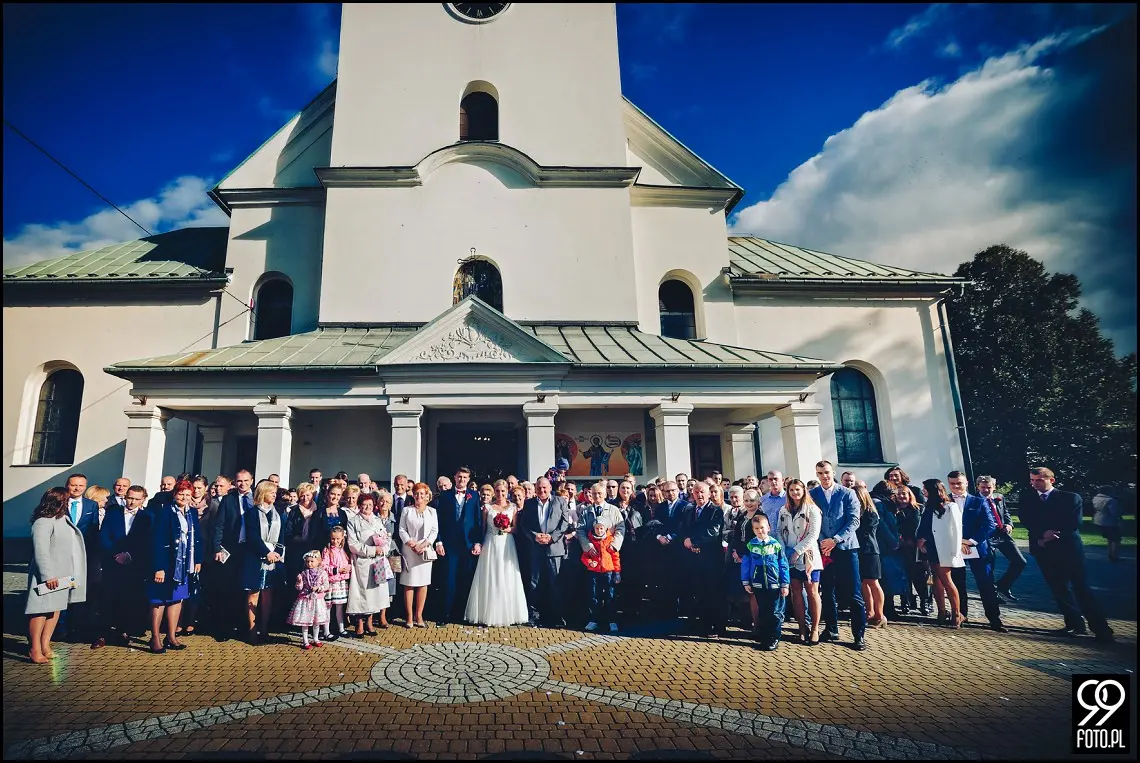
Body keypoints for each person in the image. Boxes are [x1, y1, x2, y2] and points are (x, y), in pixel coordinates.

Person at [1020, 467, 1113, 642]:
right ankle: (1074, 624)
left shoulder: (1070, 498)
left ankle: (1101, 629)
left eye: (1038, 480)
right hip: (1043, 550)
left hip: (1068, 550)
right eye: (1032, 480)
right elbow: (1026, 519)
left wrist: (1049, 535)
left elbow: (1072, 522)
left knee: (1081, 588)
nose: (1034, 484)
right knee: (1058, 589)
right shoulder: (1028, 498)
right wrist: (1042, 534)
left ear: (1051, 480)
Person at [809, 461, 867, 650]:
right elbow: (811, 521)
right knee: (827, 591)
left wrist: (835, 539)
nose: (824, 476)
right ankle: (831, 629)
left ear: (832, 472)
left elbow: (854, 521)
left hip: (846, 548)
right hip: (824, 550)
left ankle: (859, 635)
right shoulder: (813, 495)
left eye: (826, 472)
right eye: (820, 473)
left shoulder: (847, 493)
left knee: (854, 594)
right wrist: (822, 542)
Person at [26, 487, 88, 663]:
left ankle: (45, 646)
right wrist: (47, 575)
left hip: (63, 574)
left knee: (55, 610)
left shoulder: (63, 519)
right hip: (47, 575)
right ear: (57, 501)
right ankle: (34, 648)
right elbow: (41, 551)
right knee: (39, 611)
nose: (68, 503)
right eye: (66, 500)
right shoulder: (43, 522)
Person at [946, 471, 1007, 633]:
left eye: (959, 483)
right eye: (952, 484)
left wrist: (971, 541)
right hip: (954, 548)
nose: (956, 486)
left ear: (966, 482)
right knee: (958, 583)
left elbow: (989, 525)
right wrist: (958, 542)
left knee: (985, 583)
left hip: (977, 548)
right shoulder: (944, 500)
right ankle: (961, 615)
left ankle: (994, 619)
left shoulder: (978, 501)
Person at [147, 480, 203, 653]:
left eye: (188, 494)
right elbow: (157, 540)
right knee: (159, 600)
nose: (184, 498)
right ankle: (155, 637)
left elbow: (197, 538)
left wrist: (198, 560)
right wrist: (159, 567)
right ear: (174, 494)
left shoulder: (192, 512)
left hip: (185, 564)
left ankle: (171, 636)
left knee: (177, 599)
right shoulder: (164, 512)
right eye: (181, 494)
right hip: (167, 563)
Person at [465, 480, 529, 626]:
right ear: (495, 491)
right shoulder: (487, 508)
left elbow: (516, 529)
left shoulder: (512, 507)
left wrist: (508, 529)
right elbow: (482, 529)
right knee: (491, 575)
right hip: (491, 543)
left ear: (507, 491)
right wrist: (479, 543)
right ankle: (487, 613)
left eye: (503, 491)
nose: (500, 494)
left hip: (507, 544)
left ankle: (508, 613)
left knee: (507, 576)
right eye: (498, 491)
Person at [98, 484, 151, 646]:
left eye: (136, 499)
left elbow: (148, 542)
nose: (132, 502)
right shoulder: (113, 513)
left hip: (134, 565)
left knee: (129, 599)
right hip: (112, 563)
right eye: (130, 498)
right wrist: (116, 555)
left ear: (143, 500)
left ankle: (124, 632)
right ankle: (102, 634)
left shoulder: (148, 516)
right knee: (108, 599)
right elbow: (104, 537)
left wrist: (130, 556)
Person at [517, 477, 572, 627]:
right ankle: (534, 616)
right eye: (539, 488)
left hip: (554, 549)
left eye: (545, 488)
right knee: (534, 583)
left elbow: (565, 522)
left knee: (556, 584)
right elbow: (524, 525)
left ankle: (558, 617)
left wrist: (551, 538)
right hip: (535, 549)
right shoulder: (529, 504)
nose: (542, 490)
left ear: (550, 488)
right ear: (535, 489)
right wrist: (535, 536)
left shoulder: (560, 501)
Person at [432, 467, 482, 626]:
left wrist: (477, 541)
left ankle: (461, 615)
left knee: (465, 579)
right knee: (448, 580)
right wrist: (438, 541)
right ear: (454, 477)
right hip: (449, 545)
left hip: (467, 545)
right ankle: (444, 615)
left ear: (468, 479)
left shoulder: (474, 496)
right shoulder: (445, 496)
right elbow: (438, 520)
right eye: (459, 477)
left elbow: (477, 520)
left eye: (465, 477)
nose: (462, 480)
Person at [776, 478, 822, 646]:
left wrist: (797, 551)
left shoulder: (812, 509)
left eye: (798, 489)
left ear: (803, 491)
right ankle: (802, 628)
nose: (795, 493)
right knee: (796, 592)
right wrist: (783, 550)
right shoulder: (784, 509)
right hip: (789, 557)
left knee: (812, 592)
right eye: (791, 490)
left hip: (808, 557)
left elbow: (813, 535)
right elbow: (779, 531)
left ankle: (815, 629)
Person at [239, 480, 285, 644]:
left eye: (275, 492)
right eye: (271, 492)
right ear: (263, 493)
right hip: (255, 557)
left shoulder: (278, 512)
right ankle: (251, 630)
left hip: (273, 559)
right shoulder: (252, 513)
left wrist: (277, 552)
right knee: (254, 593)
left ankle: (264, 628)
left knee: (268, 593)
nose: (274, 494)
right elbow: (252, 536)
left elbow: (281, 536)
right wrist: (266, 553)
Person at [577, 482, 626, 633]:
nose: (597, 496)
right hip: (593, 560)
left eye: (600, 494)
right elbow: (580, 530)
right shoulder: (586, 511)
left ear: (605, 494)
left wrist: (615, 544)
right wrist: (588, 546)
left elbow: (620, 527)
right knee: (593, 593)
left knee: (610, 593)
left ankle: (612, 620)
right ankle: (594, 619)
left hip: (609, 559)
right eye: (594, 494)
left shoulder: (613, 510)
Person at [211, 469, 254, 640]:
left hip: (251, 549)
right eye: (239, 481)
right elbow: (219, 526)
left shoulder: (257, 498)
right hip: (231, 549)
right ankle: (225, 628)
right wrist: (216, 548)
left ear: (251, 481)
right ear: (235, 483)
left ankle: (245, 627)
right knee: (228, 589)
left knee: (247, 590)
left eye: (245, 481)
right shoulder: (228, 500)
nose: (242, 484)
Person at [916, 479, 965, 628]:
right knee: (936, 580)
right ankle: (942, 612)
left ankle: (957, 614)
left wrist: (955, 551)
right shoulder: (928, 507)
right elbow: (924, 526)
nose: (923, 491)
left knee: (946, 580)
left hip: (944, 548)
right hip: (931, 547)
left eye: (925, 489)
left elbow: (956, 530)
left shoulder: (950, 507)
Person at [346, 493, 393, 635]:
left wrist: (383, 549)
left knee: (375, 592)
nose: (367, 507)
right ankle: (359, 623)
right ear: (359, 505)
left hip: (377, 561)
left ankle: (370, 622)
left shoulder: (378, 520)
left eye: (370, 505)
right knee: (361, 593)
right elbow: (352, 544)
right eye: (364, 504)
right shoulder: (353, 522)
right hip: (362, 561)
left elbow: (386, 539)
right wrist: (372, 550)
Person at [682, 481, 725, 636]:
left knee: (712, 592)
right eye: (696, 492)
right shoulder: (688, 510)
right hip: (693, 558)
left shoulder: (716, 511)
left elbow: (713, 531)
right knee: (697, 591)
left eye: (702, 492)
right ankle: (698, 623)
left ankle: (715, 625)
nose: (699, 495)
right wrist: (687, 540)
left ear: (708, 494)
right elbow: (684, 529)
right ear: (692, 494)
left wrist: (694, 541)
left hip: (710, 558)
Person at [741, 513, 790, 650]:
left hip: (775, 585)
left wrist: (785, 584)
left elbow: (783, 564)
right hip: (758, 584)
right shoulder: (751, 545)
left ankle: (774, 638)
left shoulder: (776, 545)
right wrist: (745, 581)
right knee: (763, 611)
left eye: (762, 528)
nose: (760, 531)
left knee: (775, 612)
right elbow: (746, 563)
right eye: (756, 528)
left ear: (768, 528)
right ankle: (765, 637)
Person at [976, 476, 1024, 600]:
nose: (986, 490)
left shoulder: (999, 497)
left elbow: (1005, 513)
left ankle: (1003, 585)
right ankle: (992, 594)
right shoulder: (974, 500)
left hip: (1002, 534)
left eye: (989, 487)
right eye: (983, 487)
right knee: (989, 565)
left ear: (994, 487)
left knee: (1020, 561)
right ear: (978, 487)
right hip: (986, 536)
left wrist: (1009, 524)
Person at [399, 482, 439, 628]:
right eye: (416, 493)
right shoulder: (406, 511)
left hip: (425, 551)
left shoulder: (432, 511)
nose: (419, 496)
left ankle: (419, 615)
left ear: (427, 495)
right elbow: (402, 529)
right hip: (409, 551)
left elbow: (434, 531)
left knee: (423, 584)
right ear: (413, 495)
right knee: (409, 584)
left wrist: (424, 544)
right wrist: (411, 543)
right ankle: (409, 617)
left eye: (422, 493)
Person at [853, 485, 885, 629]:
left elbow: (867, 532)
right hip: (859, 550)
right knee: (863, 582)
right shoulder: (855, 512)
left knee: (873, 582)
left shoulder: (871, 513)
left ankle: (880, 614)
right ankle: (870, 611)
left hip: (870, 550)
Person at [581, 519, 622, 632]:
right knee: (594, 596)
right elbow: (584, 556)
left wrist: (617, 572)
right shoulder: (590, 541)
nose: (599, 531)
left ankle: (612, 621)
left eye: (601, 528)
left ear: (605, 528)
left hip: (609, 571)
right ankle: (594, 620)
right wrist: (590, 562)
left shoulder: (610, 540)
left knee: (610, 596)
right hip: (594, 572)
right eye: (597, 528)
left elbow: (616, 557)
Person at [288, 550, 330, 649]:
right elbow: (299, 588)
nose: (309, 564)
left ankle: (316, 638)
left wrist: (318, 588)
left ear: (319, 561)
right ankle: (305, 641)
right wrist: (299, 582)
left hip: (317, 601)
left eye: (312, 561)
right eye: (307, 562)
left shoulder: (322, 573)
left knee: (316, 621)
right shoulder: (303, 573)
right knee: (305, 621)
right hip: (306, 600)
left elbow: (326, 585)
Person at [375, 490, 403, 623]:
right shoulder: (373, 518)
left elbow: (399, 538)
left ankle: (384, 615)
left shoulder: (395, 520)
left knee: (389, 585)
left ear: (391, 504)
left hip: (390, 556)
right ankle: (375, 613)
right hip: (376, 556)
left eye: (387, 501)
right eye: (381, 500)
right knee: (377, 584)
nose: (384, 503)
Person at [321, 526, 352, 640]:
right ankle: (326, 631)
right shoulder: (327, 550)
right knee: (328, 607)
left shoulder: (344, 550)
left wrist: (348, 568)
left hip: (341, 582)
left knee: (340, 606)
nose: (335, 541)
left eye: (338, 539)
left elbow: (348, 562)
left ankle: (341, 628)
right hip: (331, 582)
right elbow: (324, 566)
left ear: (342, 538)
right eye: (333, 539)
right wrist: (337, 570)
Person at [1092, 486, 1123, 563]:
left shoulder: (1096, 499)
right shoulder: (1110, 500)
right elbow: (1114, 512)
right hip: (1109, 522)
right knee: (1116, 539)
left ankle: (1110, 554)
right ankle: (1114, 556)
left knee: (1110, 538)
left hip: (1098, 521)